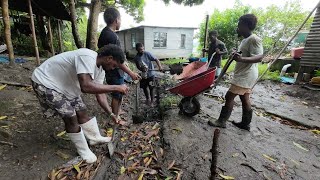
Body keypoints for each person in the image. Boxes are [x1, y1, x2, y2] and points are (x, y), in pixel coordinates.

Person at [31, 44, 129, 163]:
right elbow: (86, 86)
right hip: (46, 82)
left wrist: (111, 114)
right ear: (109, 58)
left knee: (82, 110)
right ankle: (83, 151)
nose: (113, 68)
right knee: (70, 117)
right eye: (114, 65)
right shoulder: (87, 56)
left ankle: (94, 138)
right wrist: (117, 88)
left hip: (65, 87)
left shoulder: (100, 70)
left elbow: (100, 94)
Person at [208, 14, 263, 131]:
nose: (238, 26)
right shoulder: (245, 40)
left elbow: (259, 57)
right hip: (245, 73)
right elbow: (244, 54)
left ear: (246, 25)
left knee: (229, 96)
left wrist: (241, 59)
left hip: (246, 75)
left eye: (239, 24)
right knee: (244, 97)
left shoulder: (254, 39)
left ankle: (221, 121)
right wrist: (237, 53)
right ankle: (245, 123)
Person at [98, 7, 139, 125]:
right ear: (116, 20)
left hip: (113, 70)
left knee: (119, 94)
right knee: (117, 95)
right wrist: (131, 73)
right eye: (120, 19)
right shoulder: (112, 36)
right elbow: (116, 60)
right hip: (114, 71)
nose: (120, 22)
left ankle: (117, 112)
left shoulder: (104, 33)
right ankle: (115, 119)